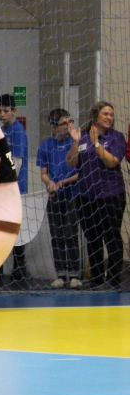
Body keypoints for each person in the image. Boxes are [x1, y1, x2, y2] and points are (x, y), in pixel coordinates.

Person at [67, 101, 126, 288]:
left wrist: (97, 143)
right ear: (95, 116)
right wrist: (76, 142)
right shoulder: (82, 136)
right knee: (92, 238)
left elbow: (112, 162)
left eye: (111, 115)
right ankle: (97, 278)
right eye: (105, 114)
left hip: (111, 195)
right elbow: (71, 162)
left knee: (111, 237)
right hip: (86, 196)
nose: (109, 117)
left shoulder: (117, 137)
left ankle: (113, 280)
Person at [37, 109, 81, 288]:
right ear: (53, 127)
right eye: (64, 123)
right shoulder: (46, 146)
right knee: (57, 236)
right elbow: (44, 173)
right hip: (55, 196)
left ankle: (75, 274)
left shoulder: (76, 143)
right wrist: (51, 184)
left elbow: (80, 172)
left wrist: (63, 182)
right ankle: (61, 274)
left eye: (70, 122)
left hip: (73, 194)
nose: (68, 126)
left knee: (71, 235)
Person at [0, 94, 29, 284]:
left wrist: (5, 181)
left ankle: (19, 270)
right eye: (0, 111)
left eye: (6, 111)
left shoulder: (17, 131)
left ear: (14, 111)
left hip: (16, 190)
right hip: (2, 190)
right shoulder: (0, 131)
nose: (2, 114)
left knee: (16, 232)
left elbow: (17, 162)